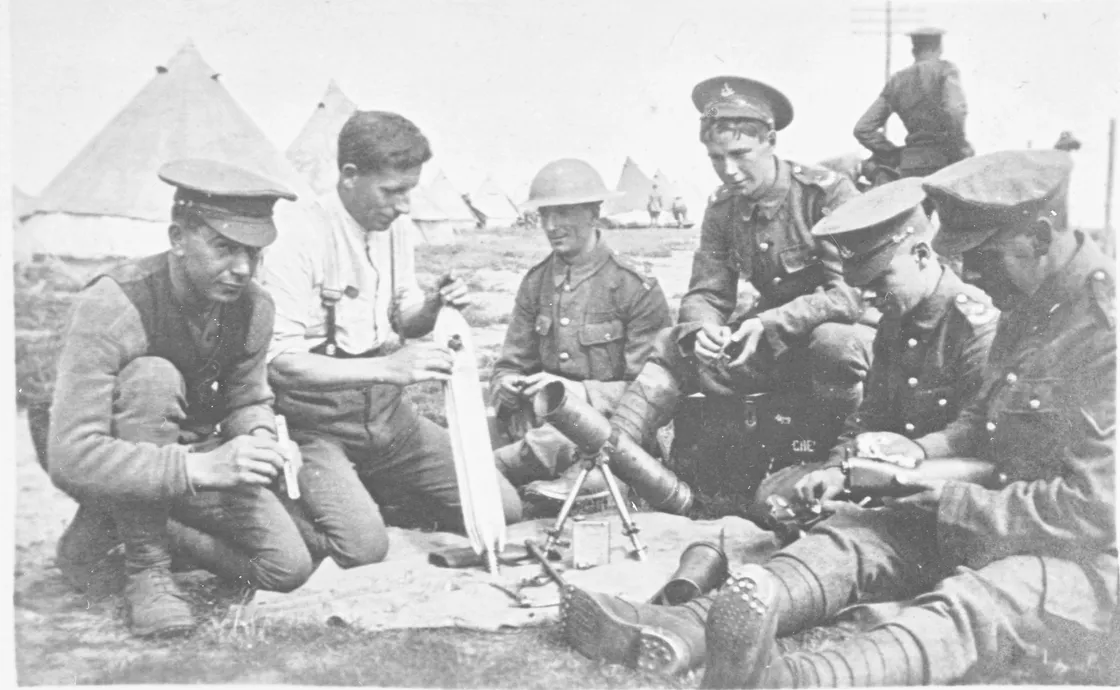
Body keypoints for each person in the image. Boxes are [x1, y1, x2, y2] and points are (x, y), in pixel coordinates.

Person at [558, 149, 1115, 687]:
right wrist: (915, 457)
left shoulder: (1104, 334)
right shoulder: (1033, 306)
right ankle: (684, 626)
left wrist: (939, 497)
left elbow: (1097, 511)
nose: (971, 272)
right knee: (855, 533)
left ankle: (787, 679)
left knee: (980, 600)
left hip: (1083, 555)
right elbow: (982, 424)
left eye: (984, 257)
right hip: (996, 514)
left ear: (1039, 238)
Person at [48, 159, 314, 638]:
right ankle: (147, 571)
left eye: (254, 254)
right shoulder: (114, 303)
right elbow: (70, 454)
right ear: (177, 238)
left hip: (186, 455)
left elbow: (247, 398)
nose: (241, 269)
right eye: (224, 248)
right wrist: (197, 469)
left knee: (288, 566)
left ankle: (112, 525)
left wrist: (259, 438)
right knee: (154, 378)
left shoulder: (253, 307)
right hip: (114, 451)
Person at [258, 111, 522, 566]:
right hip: (317, 426)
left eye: (409, 191)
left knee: (505, 508)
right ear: (349, 176)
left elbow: (405, 314)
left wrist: (436, 305)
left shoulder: (394, 228)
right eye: (393, 191)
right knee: (362, 548)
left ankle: (370, 492)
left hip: (388, 419)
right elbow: (279, 360)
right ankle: (285, 502)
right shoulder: (296, 234)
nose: (403, 206)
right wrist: (388, 367)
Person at [607, 76, 875, 468]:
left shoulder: (826, 194)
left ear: (770, 141)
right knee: (672, 342)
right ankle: (614, 453)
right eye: (716, 158)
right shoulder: (722, 207)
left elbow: (849, 295)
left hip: (838, 338)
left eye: (740, 153)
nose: (728, 170)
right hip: (768, 344)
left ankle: (838, 463)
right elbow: (708, 293)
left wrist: (770, 322)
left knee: (834, 343)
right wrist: (703, 330)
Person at [754, 176, 998, 507]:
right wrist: (834, 469)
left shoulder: (975, 326)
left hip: (946, 480)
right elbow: (870, 416)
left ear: (922, 255)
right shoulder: (895, 322)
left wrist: (889, 465)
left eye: (881, 279)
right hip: (886, 470)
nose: (870, 297)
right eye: (862, 285)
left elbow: (978, 433)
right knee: (775, 496)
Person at [489, 159, 671, 507]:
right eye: (545, 215)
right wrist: (508, 386)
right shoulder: (535, 283)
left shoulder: (633, 287)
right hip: (538, 427)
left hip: (608, 432)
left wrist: (582, 393)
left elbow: (652, 392)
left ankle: (566, 484)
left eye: (564, 213)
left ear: (594, 212)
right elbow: (507, 367)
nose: (552, 225)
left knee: (493, 469)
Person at [853, 28, 973, 181]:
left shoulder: (897, 80)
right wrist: (960, 147)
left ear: (913, 50)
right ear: (940, 48)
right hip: (945, 164)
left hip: (910, 167)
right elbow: (955, 110)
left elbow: (862, 129)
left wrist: (893, 155)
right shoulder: (945, 70)